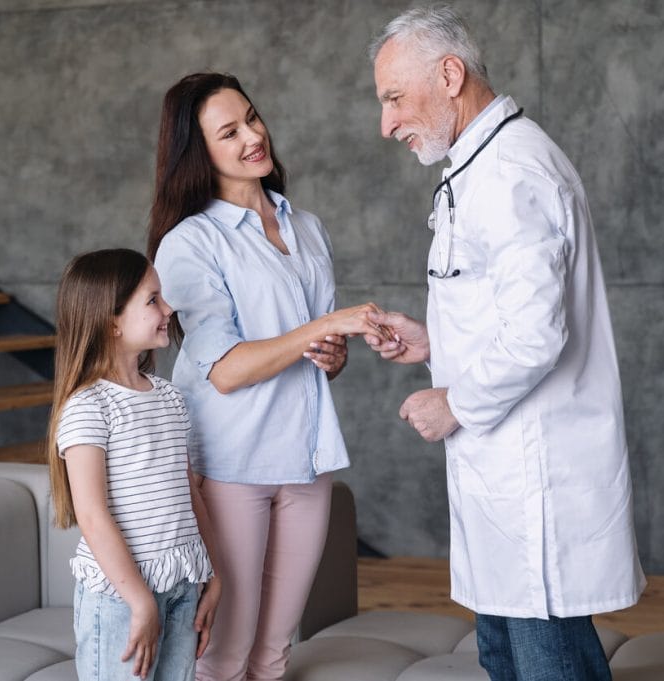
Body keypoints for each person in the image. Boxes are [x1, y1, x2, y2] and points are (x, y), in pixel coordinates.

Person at [365, 6, 646, 681]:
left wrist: (453, 400)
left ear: (451, 74)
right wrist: (434, 342)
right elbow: (507, 313)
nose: (387, 123)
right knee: (505, 659)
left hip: (532, 481)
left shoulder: (511, 172)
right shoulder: (479, 164)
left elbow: (534, 337)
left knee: (542, 666)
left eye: (394, 98)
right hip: (500, 482)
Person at [147, 73, 384, 681]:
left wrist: (333, 354)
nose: (254, 136)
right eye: (230, 132)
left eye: (252, 118)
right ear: (199, 155)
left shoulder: (305, 226)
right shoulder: (189, 243)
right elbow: (225, 371)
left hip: (306, 458)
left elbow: (309, 351)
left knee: (275, 652)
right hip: (231, 463)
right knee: (224, 654)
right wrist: (325, 324)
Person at [47, 248, 222, 681]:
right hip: (122, 594)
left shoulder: (169, 398)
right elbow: (91, 513)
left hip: (183, 581)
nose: (169, 308)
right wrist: (141, 602)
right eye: (153, 300)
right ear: (112, 322)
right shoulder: (88, 407)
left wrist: (214, 570)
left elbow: (187, 490)